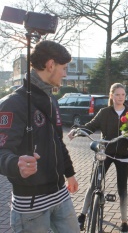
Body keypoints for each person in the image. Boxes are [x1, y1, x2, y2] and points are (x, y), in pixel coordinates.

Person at [0, 40, 80, 233]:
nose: (65, 73)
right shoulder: (14, 104)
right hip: (31, 204)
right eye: (64, 68)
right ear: (50, 65)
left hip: (60, 194)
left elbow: (57, 141)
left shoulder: (51, 99)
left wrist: (69, 173)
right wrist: (15, 164)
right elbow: (2, 151)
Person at [68, 83, 128, 233]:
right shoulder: (104, 112)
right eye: (117, 94)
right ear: (111, 96)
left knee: (122, 188)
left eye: (123, 95)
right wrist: (77, 131)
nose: (120, 98)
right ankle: (82, 215)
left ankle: (124, 222)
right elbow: (90, 126)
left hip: (124, 155)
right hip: (106, 153)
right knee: (93, 184)